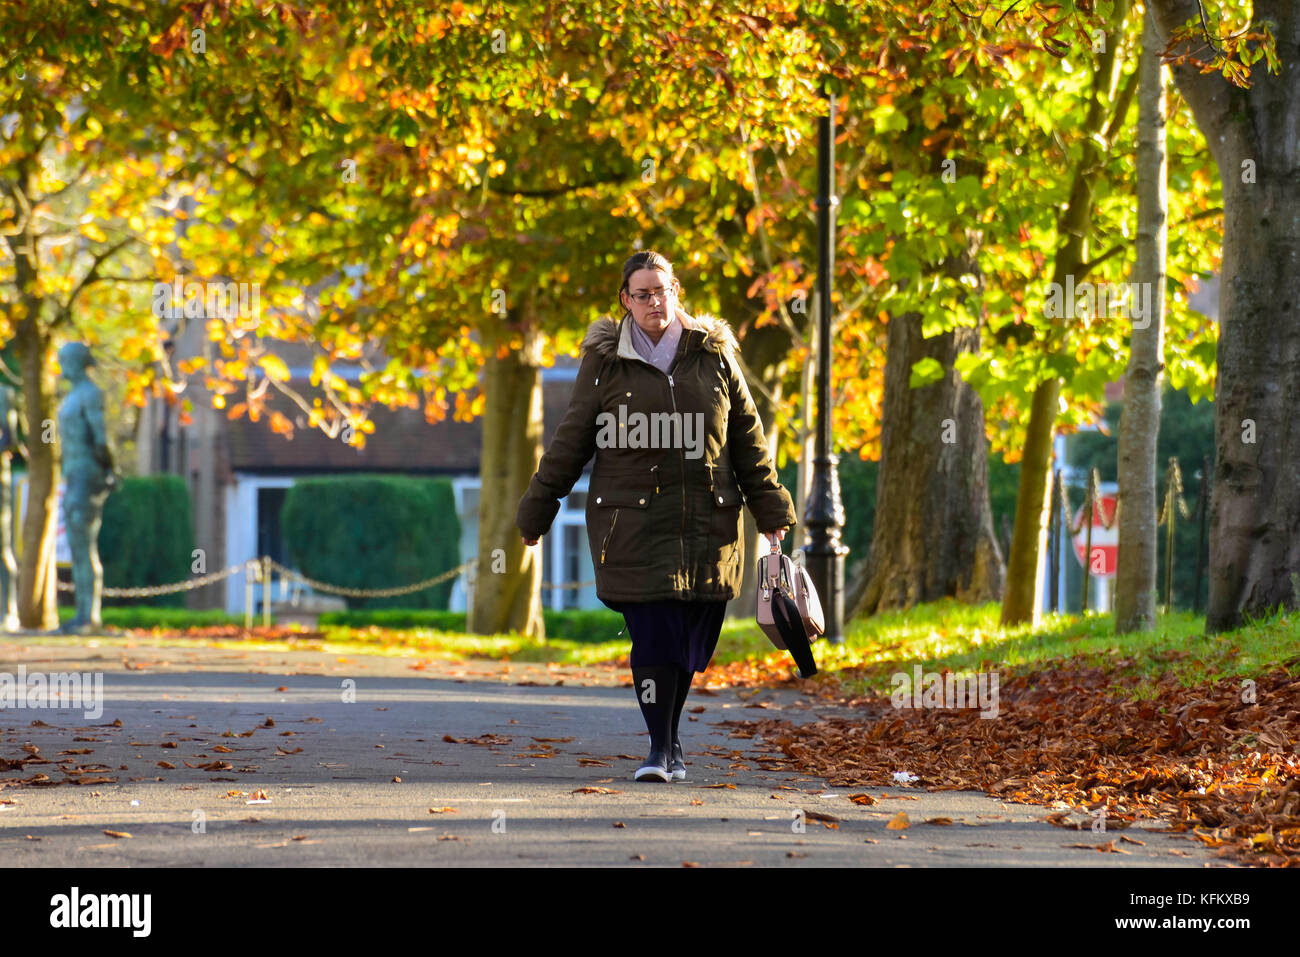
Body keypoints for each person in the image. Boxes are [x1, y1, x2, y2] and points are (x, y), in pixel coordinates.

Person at [516, 250, 796, 782]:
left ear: (676, 291)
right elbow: (572, 439)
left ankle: (669, 742)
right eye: (642, 294)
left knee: (690, 638)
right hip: (633, 524)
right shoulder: (605, 362)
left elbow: (748, 441)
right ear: (625, 300)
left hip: (707, 526)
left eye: (662, 291)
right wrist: (538, 509)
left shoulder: (714, 356)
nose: (653, 302)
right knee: (654, 633)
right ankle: (660, 749)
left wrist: (771, 508)